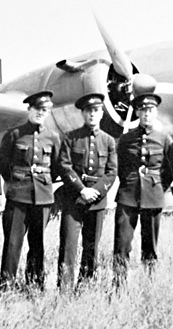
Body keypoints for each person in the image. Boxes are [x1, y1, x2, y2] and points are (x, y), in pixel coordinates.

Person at [0, 90, 61, 293]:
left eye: (45, 110)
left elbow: (57, 166)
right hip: (18, 195)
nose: (41, 113)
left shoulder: (53, 138)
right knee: (12, 243)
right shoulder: (14, 134)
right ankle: (5, 286)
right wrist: (15, 181)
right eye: (37, 109)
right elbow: (3, 163)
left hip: (42, 198)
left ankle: (34, 286)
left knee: (38, 243)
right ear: (29, 110)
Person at [113, 92, 173, 287]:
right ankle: (118, 285)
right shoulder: (126, 139)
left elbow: (170, 170)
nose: (146, 114)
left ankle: (149, 285)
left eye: (150, 110)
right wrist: (128, 184)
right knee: (122, 244)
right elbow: (119, 167)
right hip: (128, 196)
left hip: (153, 196)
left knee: (150, 246)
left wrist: (157, 188)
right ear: (138, 113)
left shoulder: (165, 140)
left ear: (155, 113)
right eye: (143, 110)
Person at [57, 93, 117, 290]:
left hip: (97, 202)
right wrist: (82, 190)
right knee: (68, 246)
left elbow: (111, 172)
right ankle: (64, 289)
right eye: (88, 111)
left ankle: (86, 287)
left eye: (96, 111)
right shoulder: (70, 138)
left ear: (101, 114)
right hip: (74, 200)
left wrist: (96, 192)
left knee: (92, 246)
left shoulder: (108, 141)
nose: (92, 114)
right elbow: (65, 167)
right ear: (82, 113)